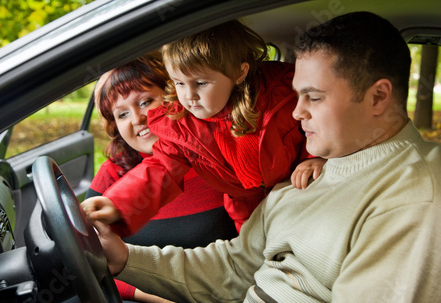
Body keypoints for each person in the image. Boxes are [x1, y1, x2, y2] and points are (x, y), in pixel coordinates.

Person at [71, 11, 441, 303]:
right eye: (296, 95)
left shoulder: (415, 194)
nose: (297, 113)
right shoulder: (301, 179)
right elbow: (233, 267)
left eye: (314, 97)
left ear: (378, 97)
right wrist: (125, 258)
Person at [82, 20, 325, 236]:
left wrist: (315, 157)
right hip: (245, 210)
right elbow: (161, 169)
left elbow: (315, 122)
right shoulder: (181, 123)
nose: (189, 97)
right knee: (260, 255)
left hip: (297, 189)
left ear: (239, 73)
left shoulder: (279, 94)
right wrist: (118, 204)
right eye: (179, 83)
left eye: (201, 83)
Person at [83, 52, 235, 303]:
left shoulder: (220, 161)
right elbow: (88, 262)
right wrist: (157, 299)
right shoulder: (112, 174)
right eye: (122, 114)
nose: (137, 119)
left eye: (145, 101)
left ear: (173, 98)